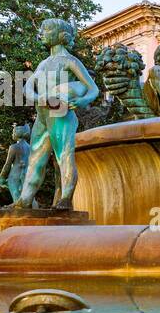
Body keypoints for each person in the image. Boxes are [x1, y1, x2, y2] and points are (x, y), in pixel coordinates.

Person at [16, 18, 99, 210]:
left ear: (62, 36)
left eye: (47, 29)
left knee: (64, 156)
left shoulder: (70, 61)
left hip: (61, 114)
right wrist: (39, 99)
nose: (42, 33)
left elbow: (92, 89)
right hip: (42, 114)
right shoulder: (43, 63)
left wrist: (82, 101)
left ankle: (66, 199)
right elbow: (28, 87)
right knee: (35, 159)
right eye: (42, 29)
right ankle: (24, 200)